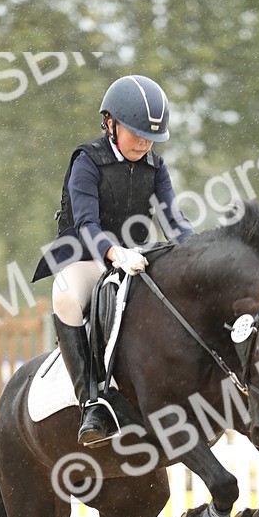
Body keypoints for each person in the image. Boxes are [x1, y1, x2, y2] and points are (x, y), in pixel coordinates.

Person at [33, 74, 194, 444]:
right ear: (110, 123)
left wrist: (196, 249)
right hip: (87, 256)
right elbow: (87, 222)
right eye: (135, 131)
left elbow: (174, 219)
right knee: (66, 298)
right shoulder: (87, 161)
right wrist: (112, 251)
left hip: (135, 256)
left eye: (150, 135)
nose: (143, 141)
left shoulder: (156, 166)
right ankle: (92, 401)